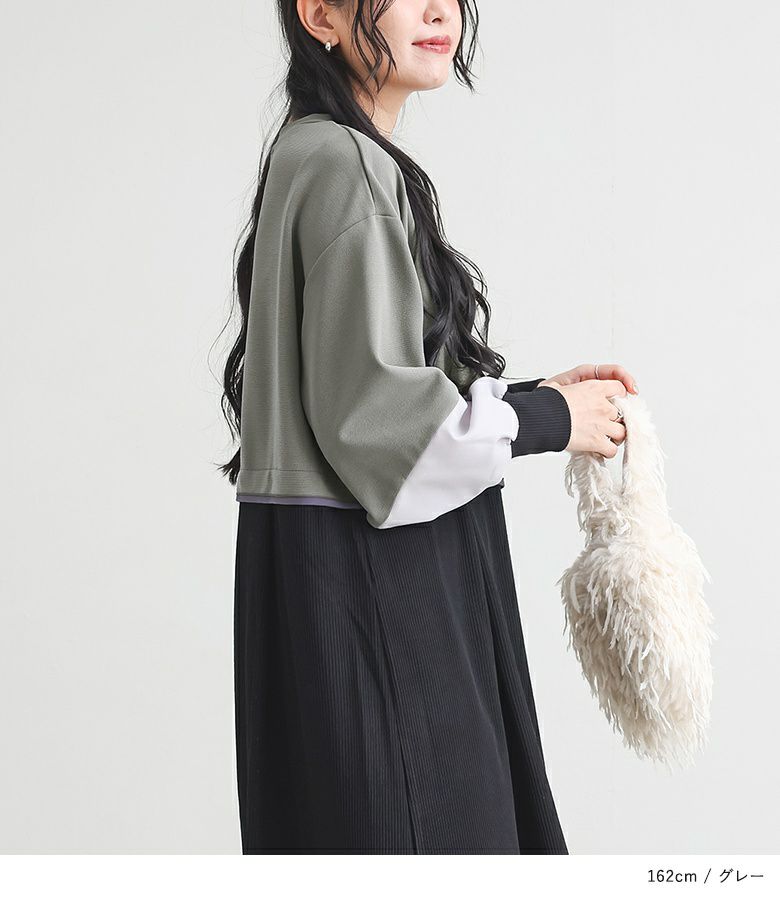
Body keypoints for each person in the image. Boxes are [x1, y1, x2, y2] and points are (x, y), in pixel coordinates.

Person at [217, 0, 637, 854]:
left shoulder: (311, 150)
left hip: (326, 585)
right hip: (379, 595)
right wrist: (546, 418)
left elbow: (363, 393)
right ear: (321, 14)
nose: (440, 9)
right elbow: (384, 432)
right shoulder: (346, 164)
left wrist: (527, 397)